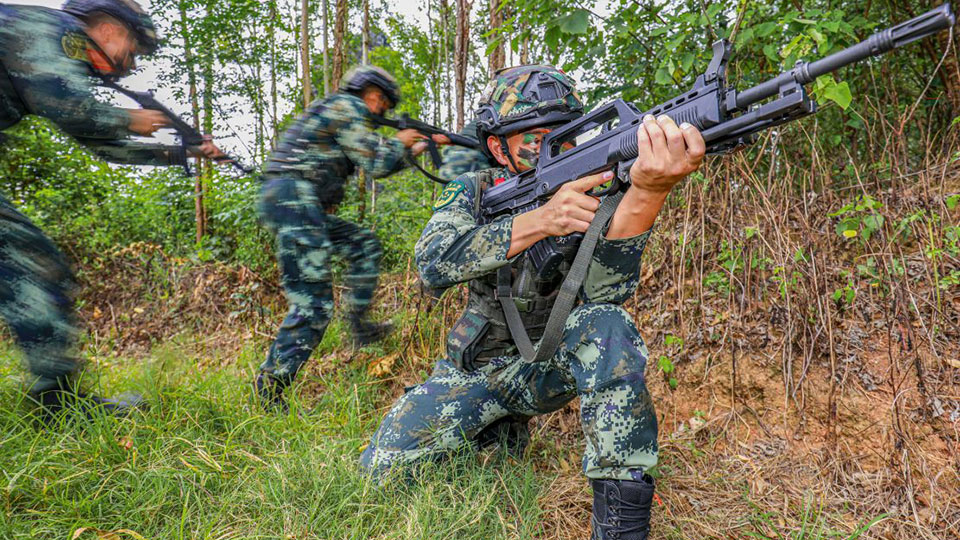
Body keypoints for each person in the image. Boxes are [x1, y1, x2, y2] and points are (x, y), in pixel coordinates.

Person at [359, 65, 705, 540]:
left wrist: (647, 191)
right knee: (378, 471)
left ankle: (622, 528)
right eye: (536, 135)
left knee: (606, 324)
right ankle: (495, 431)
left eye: (563, 134)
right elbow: (432, 264)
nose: (554, 146)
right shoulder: (475, 190)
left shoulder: (598, 187)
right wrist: (542, 221)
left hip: (543, 370)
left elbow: (607, 292)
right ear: (498, 146)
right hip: (473, 372)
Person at [0, 0, 227, 418]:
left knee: (34, 263)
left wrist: (185, 151)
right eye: (133, 48)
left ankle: (56, 400)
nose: (131, 63)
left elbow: (102, 145)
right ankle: (57, 406)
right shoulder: (53, 29)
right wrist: (130, 118)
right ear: (107, 28)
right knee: (34, 264)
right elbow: (69, 106)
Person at [255, 65, 445, 412]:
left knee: (364, 245)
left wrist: (416, 148)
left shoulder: (337, 110)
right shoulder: (348, 107)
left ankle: (358, 324)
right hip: (293, 199)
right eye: (383, 104)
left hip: (295, 203)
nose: (381, 112)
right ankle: (271, 392)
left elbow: (383, 161)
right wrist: (403, 141)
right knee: (313, 305)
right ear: (373, 95)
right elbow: (376, 162)